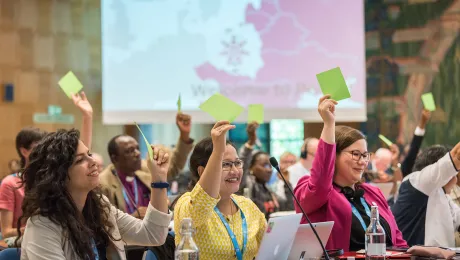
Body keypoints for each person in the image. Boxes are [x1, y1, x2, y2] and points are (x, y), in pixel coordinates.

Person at [18, 129, 172, 260]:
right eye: (80, 160)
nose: (93, 162)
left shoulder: (99, 207)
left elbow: (153, 234)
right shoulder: (43, 225)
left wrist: (159, 179)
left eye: (89, 154)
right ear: (59, 175)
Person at [294, 95, 407, 251]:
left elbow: (398, 240)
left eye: (365, 155)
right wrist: (329, 124)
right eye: (355, 154)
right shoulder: (316, 193)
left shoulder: (373, 192)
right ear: (335, 155)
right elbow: (320, 181)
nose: (362, 161)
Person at [0, 92, 93, 239]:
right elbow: (6, 232)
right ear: (24, 151)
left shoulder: (50, 177)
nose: (45, 151)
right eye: (38, 146)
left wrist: (87, 116)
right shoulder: (10, 183)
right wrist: (43, 228)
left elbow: (80, 154)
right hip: (33, 240)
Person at [173, 121, 266, 260]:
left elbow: (271, 246)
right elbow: (201, 205)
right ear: (202, 171)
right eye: (226, 164)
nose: (235, 171)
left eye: (237, 163)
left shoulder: (247, 206)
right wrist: (218, 152)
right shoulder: (187, 204)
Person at [99, 113, 194, 217]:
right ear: (115, 158)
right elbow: (104, 222)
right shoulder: (103, 184)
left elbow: (173, 167)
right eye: (130, 151)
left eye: (137, 148)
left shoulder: (145, 168)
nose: (137, 153)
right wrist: (131, 218)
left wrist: (184, 135)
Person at [392, 144, 460, 247]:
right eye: (455, 172)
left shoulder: (443, 195)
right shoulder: (416, 181)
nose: (456, 178)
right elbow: (453, 159)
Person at [245, 151, 280, 218]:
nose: (269, 170)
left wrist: (287, 185)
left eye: (270, 166)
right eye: (265, 165)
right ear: (251, 167)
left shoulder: (267, 189)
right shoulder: (246, 185)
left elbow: (286, 207)